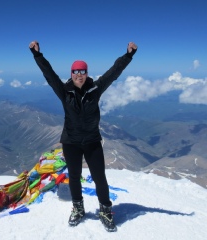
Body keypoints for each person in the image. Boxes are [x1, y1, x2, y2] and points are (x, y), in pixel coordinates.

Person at [29, 40, 137, 232]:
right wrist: (37, 55)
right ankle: (78, 208)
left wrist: (128, 55)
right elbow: (49, 74)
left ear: (87, 73)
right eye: (76, 72)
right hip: (71, 142)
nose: (79, 75)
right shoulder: (64, 91)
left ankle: (105, 210)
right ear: (71, 74)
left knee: (99, 178)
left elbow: (113, 72)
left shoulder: (96, 88)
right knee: (75, 176)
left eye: (82, 71)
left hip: (92, 141)